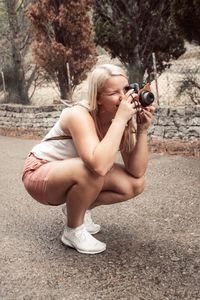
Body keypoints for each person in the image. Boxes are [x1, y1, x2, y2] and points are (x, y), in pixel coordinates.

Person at [22, 64, 155, 255]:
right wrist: (120, 119)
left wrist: (141, 129)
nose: (123, 97)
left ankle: (77, 209)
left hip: (74, 171)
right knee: (94, 169)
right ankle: (73, 231)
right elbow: (99, 166)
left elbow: (136, 171)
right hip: (40, 173)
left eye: (125, 90)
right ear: (98, 98)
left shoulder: (120, 119)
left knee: (134, 184)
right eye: (114, 93)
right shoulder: (79, 114)